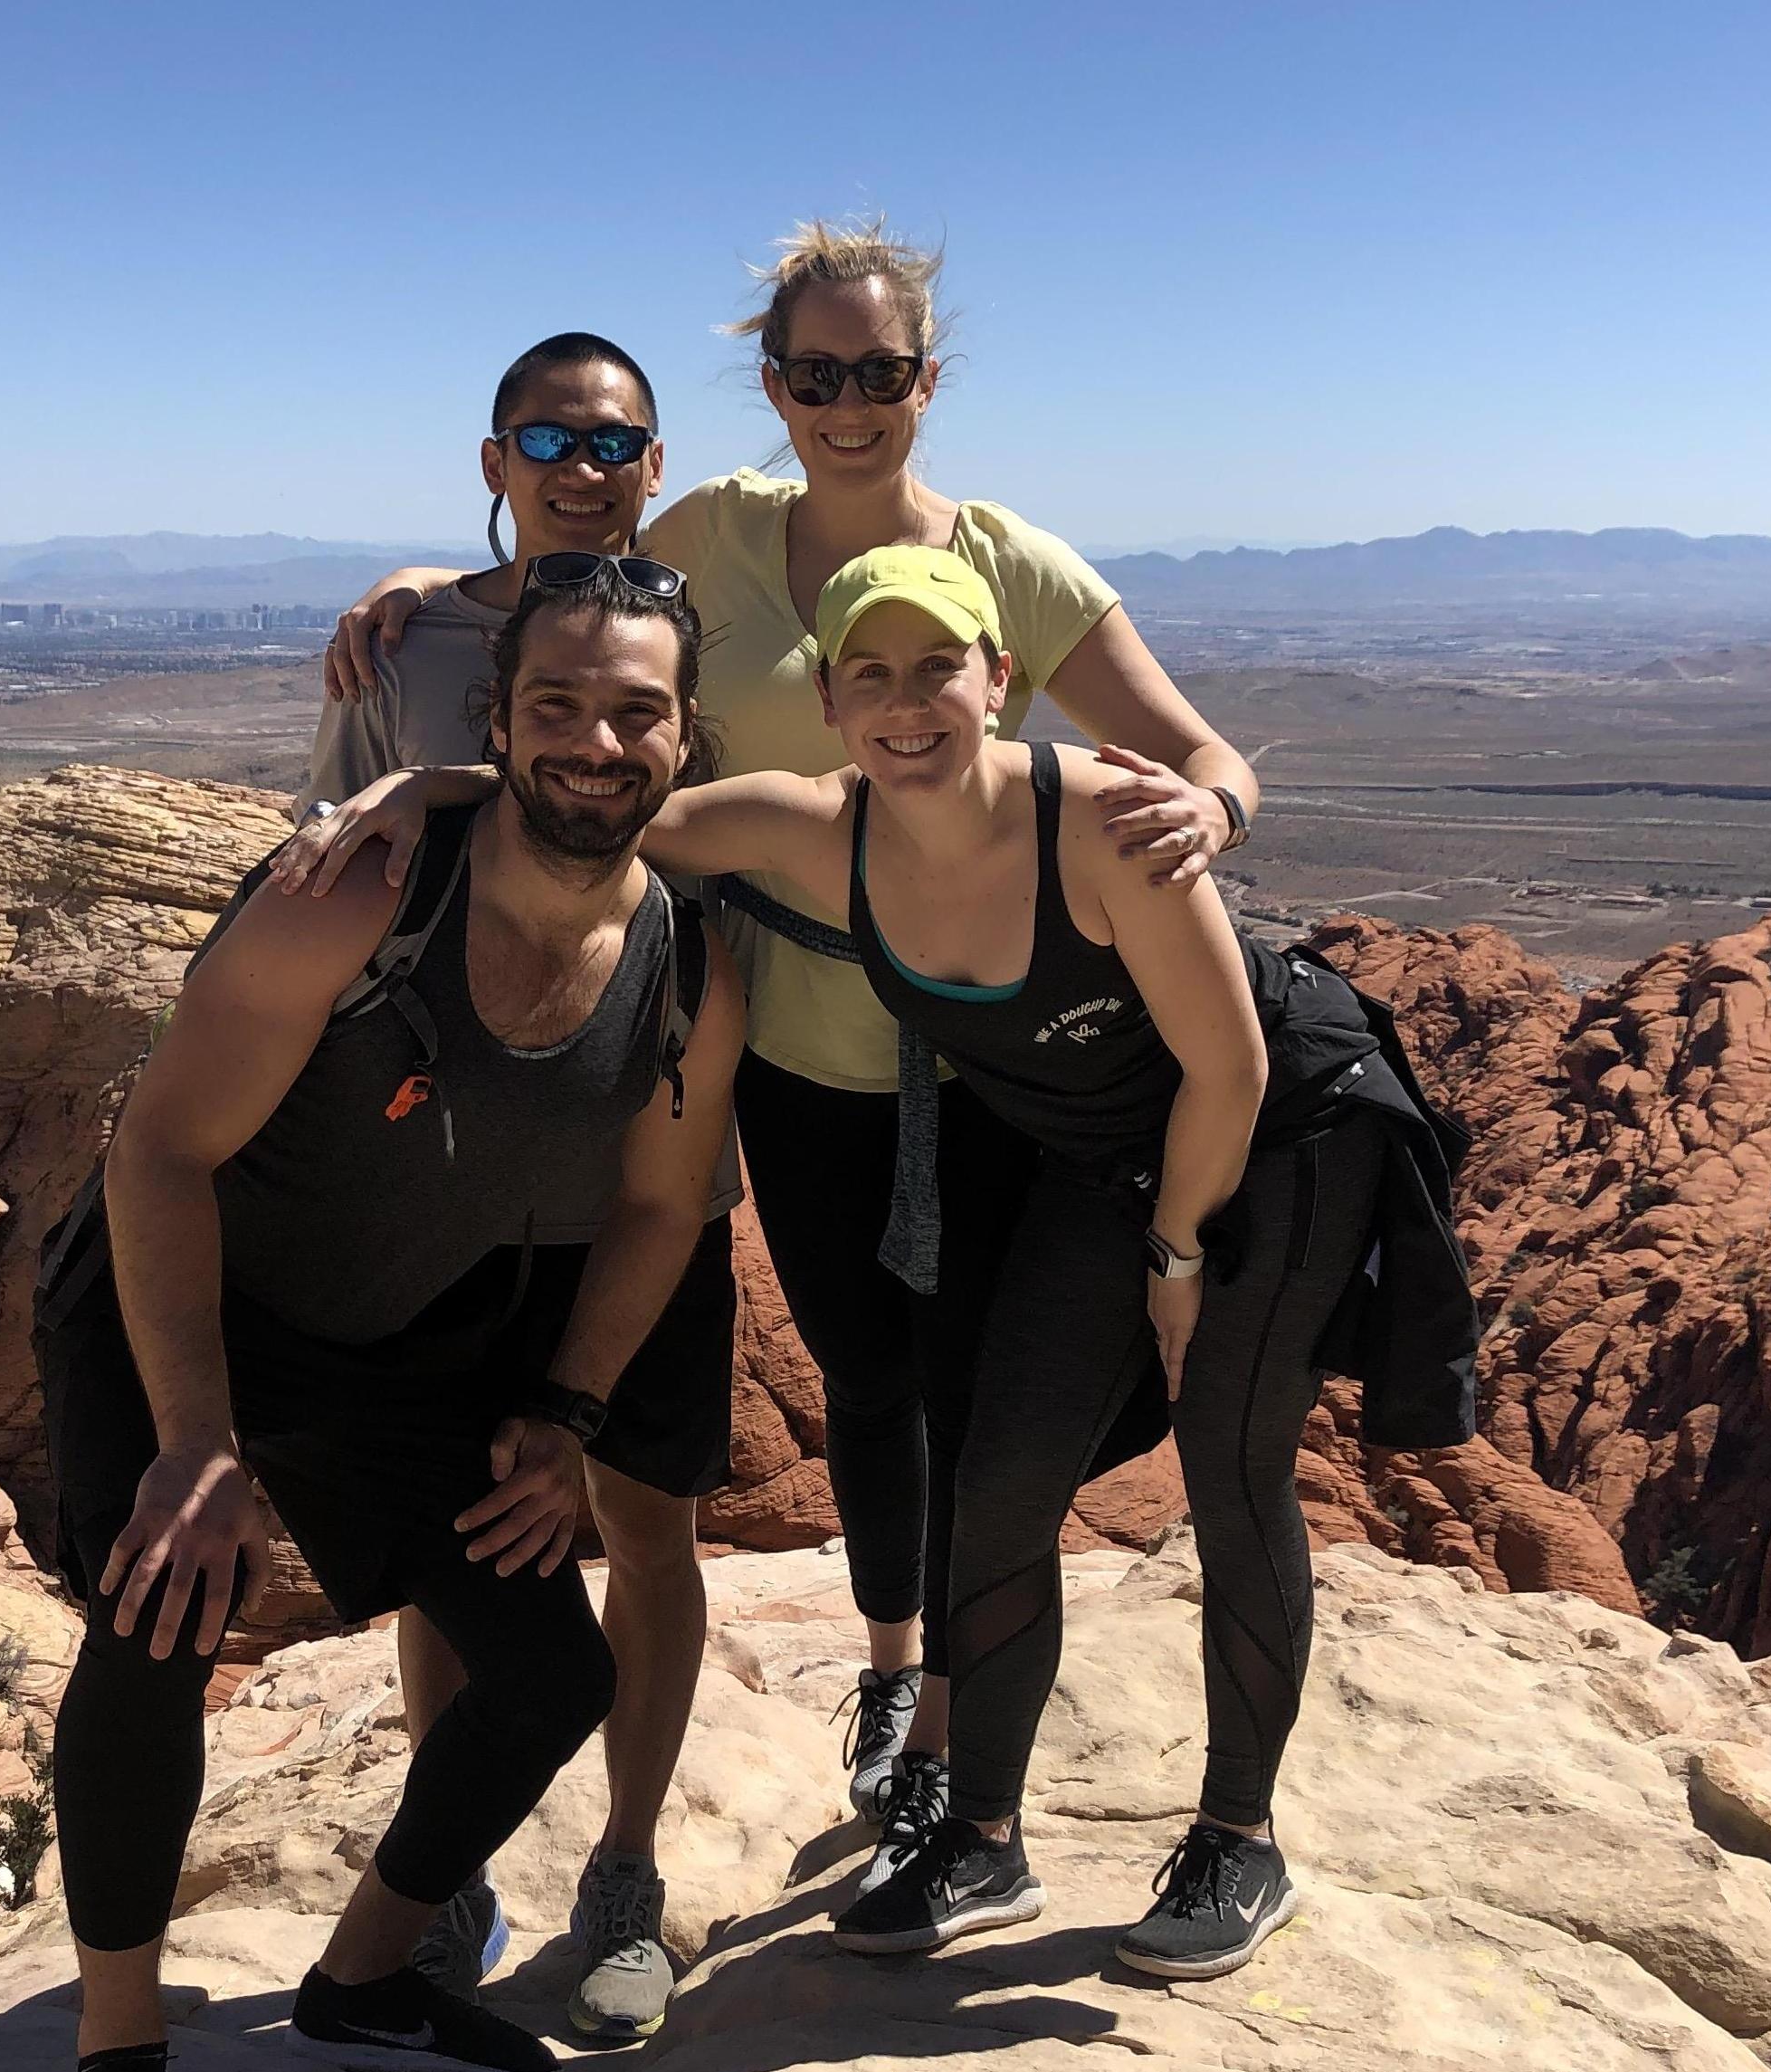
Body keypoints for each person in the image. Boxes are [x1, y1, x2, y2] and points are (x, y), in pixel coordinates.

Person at [357, 546, 1477, 1978]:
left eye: (936, 665)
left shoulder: (1100, 820)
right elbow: (600, 816)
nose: (905, 702)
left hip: (1276, 1134)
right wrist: (420, 790)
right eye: (867, 674)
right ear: (826, 699)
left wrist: (1177, 1259)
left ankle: (1237, 1839)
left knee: (1229, 1458)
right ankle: (985, 1835)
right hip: (1107, 1157)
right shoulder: (815, 827)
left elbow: (1230, 1062)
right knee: (1002, 1475)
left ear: (997, 681)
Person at [283, 220, 1264, 1849]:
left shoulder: (1012, 560)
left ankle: (951, 1712)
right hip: (792, 1042)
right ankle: (890, 1676)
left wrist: (1207, 818)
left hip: (992, 1055)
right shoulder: (714, 531)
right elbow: (558, 589)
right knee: (867, 1383)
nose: (846, 400)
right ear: (773, 383)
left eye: (877, 371)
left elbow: (1199, 750)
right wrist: (416, 593)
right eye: (813, 373)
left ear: (925, 380)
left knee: (971, 1394)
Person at [37, 558, 745, 2072]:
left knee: (551, 1670)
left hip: (381, 1337)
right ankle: (116, 2037)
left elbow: (659, 1205)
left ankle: (360, 1977)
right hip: (182, 1289)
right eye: (556, 704)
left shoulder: (687, 961)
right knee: (157, 1604)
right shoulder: (362, 888)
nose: (596, 743)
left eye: (637, 712)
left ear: (687, 739)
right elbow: (158, 1150)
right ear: (495, 717)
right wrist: (197, 1439)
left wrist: (566, 1415)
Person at [296, 330, 741, 2045]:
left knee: (647, 1518)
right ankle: (446, 1869)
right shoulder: (406, 638)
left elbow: (674, 814)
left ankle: (622, 1876)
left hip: (644, 1152)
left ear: (651, 461)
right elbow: (330, 854)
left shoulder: (687, 626)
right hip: (456, 1178)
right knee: (451, 1535)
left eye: (611, 438)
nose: (581, 459)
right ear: (492, 456)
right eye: (543, 434)